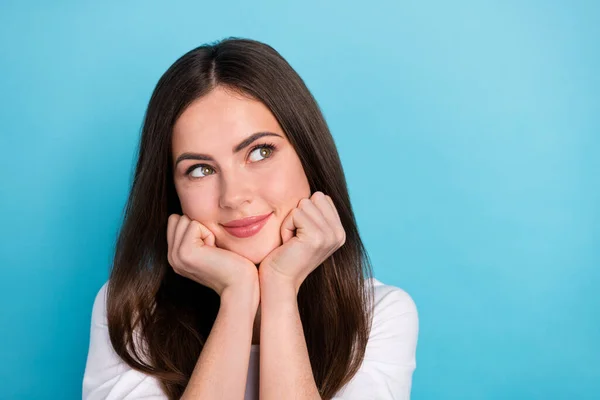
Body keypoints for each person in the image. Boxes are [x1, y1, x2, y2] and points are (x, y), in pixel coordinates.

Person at [82, 37, 419, 400]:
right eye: (199, 170)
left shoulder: (379, 316)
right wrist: (237, 296)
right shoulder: (130, 315)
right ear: (172, 192)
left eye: (260, 152)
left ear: (308, 154)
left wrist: (280, 287)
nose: (233, 196)